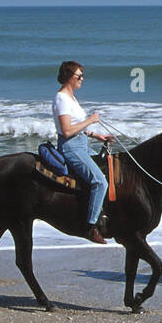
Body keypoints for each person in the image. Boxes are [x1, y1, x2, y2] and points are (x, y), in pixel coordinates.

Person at [52, 60, 112, 244]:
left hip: (82, 142)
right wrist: (91, 120)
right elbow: (67, 130)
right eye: (79, 76)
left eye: (82, 76)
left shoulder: (71, 97)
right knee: (100, 182)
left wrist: (96, 135)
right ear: (69, 77)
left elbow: (77, 127)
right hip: (71, 147)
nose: (82, 79)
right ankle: (90, 227)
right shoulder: (61, 98)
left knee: (108, 166)